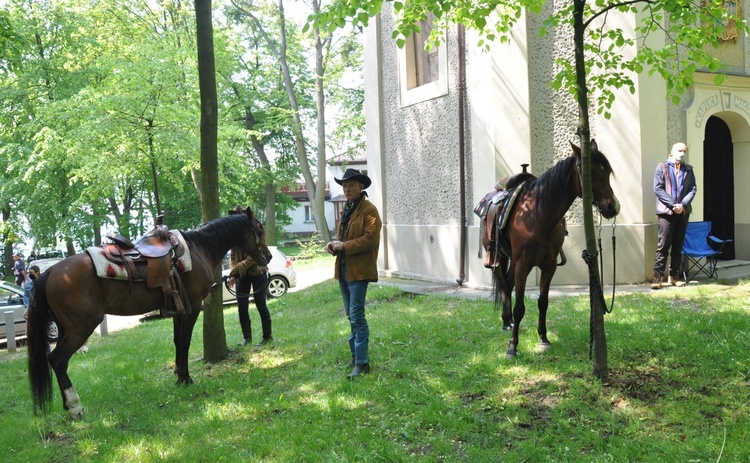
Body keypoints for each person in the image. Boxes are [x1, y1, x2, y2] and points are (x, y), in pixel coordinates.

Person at [326, 168, 382, 378]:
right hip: (344, 270)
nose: (347, 189)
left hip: (360, 271)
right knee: (350, 315)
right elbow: (346, 240)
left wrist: (344, 246)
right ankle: (355, 356)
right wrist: (334, 246)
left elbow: (370, 240)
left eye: (351, 185)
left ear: (361, 186)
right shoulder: (347, 209)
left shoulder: (369, 210)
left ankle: (362, 362)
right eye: (344, 186)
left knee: (357, 315)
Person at [651, 142, 697, 289]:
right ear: (672, 151)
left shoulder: (688, 169)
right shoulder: (662, 167)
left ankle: (674, 277)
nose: (682, 153)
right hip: (666, 213)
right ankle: (657, 277)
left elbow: (693, 188)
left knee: (678, 245)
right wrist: (673, 205)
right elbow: (658, 189)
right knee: (663, 246)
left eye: (684, 151)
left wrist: (682, 205)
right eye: (679, 150)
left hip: (682, 213)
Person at [226, 205, 273, 346]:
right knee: (242, 307)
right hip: (242, 276)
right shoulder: (234, 235)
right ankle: (247, 338)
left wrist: (241, 266)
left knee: (260, 304)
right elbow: (233, 256)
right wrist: (234, 273)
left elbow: (257, 254)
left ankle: (267, 337)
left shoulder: (256, 230)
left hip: (259, 272)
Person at [22, 265, 40, 334]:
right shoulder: (28, 285)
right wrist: (28, 307)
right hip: (31, 308)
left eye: (31, 273)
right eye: (29, 273)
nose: (30, 275)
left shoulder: (42, 283)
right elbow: (26, 296)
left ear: (37, 272)